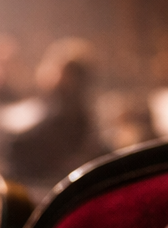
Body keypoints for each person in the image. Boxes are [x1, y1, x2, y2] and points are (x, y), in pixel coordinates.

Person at [6, 37, 101, 192]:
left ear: (68, 75)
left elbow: (23, 147)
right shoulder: (70, 105)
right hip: (48, 177)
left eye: (53, 66)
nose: (45, 70)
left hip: (43, 184)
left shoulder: (65, 110)